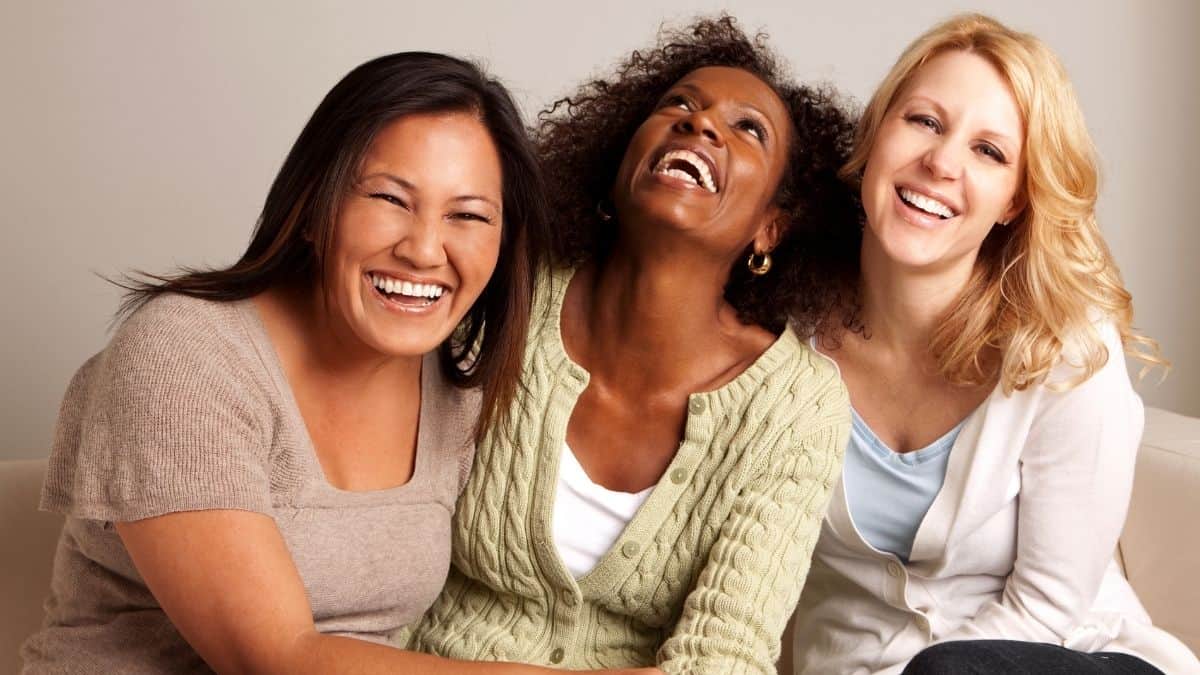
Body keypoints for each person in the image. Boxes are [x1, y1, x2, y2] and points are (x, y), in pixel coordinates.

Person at [21, 52, 651, 675]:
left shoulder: (460, 387)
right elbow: (276, 659)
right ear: (312, 209)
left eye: (467, 215)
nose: (425, 249)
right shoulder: (184, 357)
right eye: (389, 198)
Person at [406, 17, 858, 674]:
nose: (700, 124)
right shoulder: (506, 298)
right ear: (617, 166)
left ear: (769, 229)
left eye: (747, 129)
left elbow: (723, 659)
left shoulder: (796, 406)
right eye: (678, 104)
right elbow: (387, 553)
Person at [786, 13, 1200, 675]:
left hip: (1076, 657)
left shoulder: (1064, 344)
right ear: (876, 133)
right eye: (924, 120)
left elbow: (1046, 608)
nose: (942, 162)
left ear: (1013, 200)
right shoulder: (785, 336)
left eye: (990, 151)